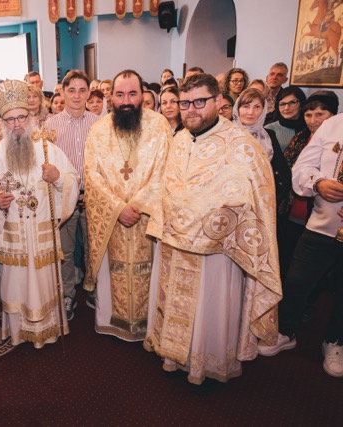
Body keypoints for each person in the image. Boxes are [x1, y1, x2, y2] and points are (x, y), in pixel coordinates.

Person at [144, 73, 282, 384]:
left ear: (218, 101)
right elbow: (165, 186)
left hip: (217, 250)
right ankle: (171, 354)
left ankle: (205, 363)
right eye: (185, 103)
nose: (191, 110)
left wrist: (206, 213)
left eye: (199, 102)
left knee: (209, 307)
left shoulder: (242, 145)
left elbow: (255, 201)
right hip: (173, 244)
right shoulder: (179, 140)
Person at [0, 80, 79, 348]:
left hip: (42, 235)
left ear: (31, 117)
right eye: (10, 119)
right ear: (1, 122)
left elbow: (73, 180)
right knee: (16, 284)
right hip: (13, 239)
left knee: (44, 283)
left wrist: (58, 177)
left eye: (21, 117)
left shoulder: (48, 150)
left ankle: (48, 330)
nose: (17, 124)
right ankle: (17, 333)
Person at [84, 70, 171, 341]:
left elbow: (165, 172)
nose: (126, 101)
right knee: (113, 272)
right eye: (120, 94)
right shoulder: (98, 131)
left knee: (151, 272)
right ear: (111, 97)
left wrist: (138, 204)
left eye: (132, 94)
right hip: (113, 221)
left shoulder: (159, 126)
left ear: (143, 95)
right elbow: (91, 176)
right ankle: (112, 321)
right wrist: (117, 208)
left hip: (148, 219)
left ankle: (149, 325)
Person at [258, 113, 343, 378]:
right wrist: (318, 182)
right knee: (297, 281)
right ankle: (286, 330)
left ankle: (335, 341)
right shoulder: (333, 124)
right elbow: (302, 167)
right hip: (321, 224)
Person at [46, 70, 99, 321]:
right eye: (71, 90)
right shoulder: (50, 126)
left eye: (82, 90)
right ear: (63, 92)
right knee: (65, 252)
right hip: (63, 198)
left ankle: (94, 290)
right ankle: (67, 294)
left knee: (93, 249)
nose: (77, 95)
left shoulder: (100, 124)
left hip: (93, 198)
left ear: (88, 93)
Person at [279, 91, 339, 278]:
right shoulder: (309, 134)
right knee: (297, 280)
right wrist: (318, 183)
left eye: (319, 114)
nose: (313, 120)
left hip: (325, 218)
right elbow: (297, 169)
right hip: (316, 221)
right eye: (308, 115)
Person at [233, 88, 292, 234]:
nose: (250, 112)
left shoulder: (269, 135)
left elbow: (283, 172)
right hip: (231, 203)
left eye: (257, 107)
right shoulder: (226, 135)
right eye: (246, 106)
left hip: (261, 206)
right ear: (238, 108)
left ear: (264, 110)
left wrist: (272, 198)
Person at [265, 86, 307, 151]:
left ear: (301, 104)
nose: (286, 108)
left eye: (292, 103)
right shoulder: (269, 129)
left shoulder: (310, 127)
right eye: (282, 104)